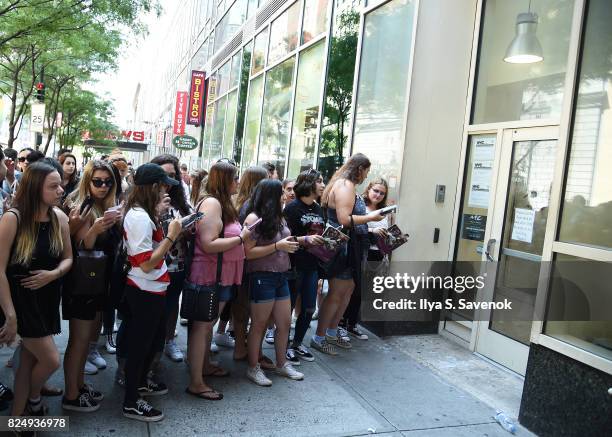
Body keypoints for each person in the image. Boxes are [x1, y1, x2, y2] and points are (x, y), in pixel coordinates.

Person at [0, 161, 73, 416]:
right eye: (53, 186)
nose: (61, 190)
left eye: (60, 184)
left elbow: (68, 258)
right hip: (21, 301)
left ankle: (16, 420)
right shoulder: (13, 218)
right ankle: (32, 399)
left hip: (47, 297)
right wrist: (10, 316)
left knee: (28, 363)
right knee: (51, 360)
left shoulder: (58, 217)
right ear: (34, 188)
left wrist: (52, 274)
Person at [121, 163, 181, 422]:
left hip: (151, 288)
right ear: (153, 187)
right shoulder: (138, 217)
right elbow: (145, 262)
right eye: (163, 185)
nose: (166, 189)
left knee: (150, 342)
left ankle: (139, 388)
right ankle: (132, 401)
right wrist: (171, 236)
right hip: (143, 289)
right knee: (140, 346)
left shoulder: (143, 214)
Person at [62, 160, 121, 412]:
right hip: (82, 283)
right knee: (79, 340)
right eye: (98, 181)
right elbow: (82, 246)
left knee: (87, 340)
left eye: (108, 182)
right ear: (88, 181)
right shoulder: (81, 206)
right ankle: (72, 395)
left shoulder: (102, 205)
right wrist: (96, 228)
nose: (103, 186)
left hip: (97, 282)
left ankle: (80, 385)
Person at [310, 153, 383, 355]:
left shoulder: (343, 184)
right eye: (367, 171)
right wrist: (371, 217)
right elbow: (344, 218)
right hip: (342, 247)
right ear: (359, 169)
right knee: (336, 294)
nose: (367, 175)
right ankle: (319, 337)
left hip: (348, 247)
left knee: (347, 290)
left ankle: (331, 333)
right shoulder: (345, 186)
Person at [186, 161, 247, 400]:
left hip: (220, 274)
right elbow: (209, 244)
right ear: (224, 181)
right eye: (234, 178)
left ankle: (203, 369)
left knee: (206, 327)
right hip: (209, 274)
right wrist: (241, 238)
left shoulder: (219, 203)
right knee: (202, 328)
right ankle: (196, 382)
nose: (238, 183)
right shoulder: (212, 203)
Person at [243, 179, 303, 386]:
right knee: (258, 325)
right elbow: (248, 253)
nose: (286, 195)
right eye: (281, 193)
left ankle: (282, 363)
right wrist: (278, 246)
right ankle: (253, 367)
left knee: (284, 324)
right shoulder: (254, 218)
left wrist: (302, 241)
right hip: (262, 276)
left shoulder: (279, 216)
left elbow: (284, 241)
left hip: (281, 276)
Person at [150, 155, 192, 364]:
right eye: (163, 175)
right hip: (151, 265)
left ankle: (168, 341)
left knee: (172, 303)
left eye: (173, 175)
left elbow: (190, 215)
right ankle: (151, 349)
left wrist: (190, 226)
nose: (168, 180)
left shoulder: (179, 199)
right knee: (152, 309)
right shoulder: (143, 199)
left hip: (177, 263)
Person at [283, 169, 326, 364]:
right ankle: (283, 346)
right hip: (293, 265)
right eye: (319, 181)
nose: (323, 185)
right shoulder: (292, 208)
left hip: (312, 264)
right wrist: (305, 239)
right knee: (288, 308)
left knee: (309, 307)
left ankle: (297, 343)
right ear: (309, 183)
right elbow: (283, 237)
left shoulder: (318, 208)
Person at [341, 178, 391, 340]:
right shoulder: (360, 205)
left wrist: (392, 238)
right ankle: (341, 324)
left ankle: (352, 324)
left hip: (378, 255)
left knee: (364, 292)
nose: (378, 195)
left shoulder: (385, 211)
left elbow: (387, 233)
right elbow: (353, 226)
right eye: (376, 190)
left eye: (382, 193)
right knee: (352, 290)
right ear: (369, 189)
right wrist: (372, 231)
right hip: (360, 252)